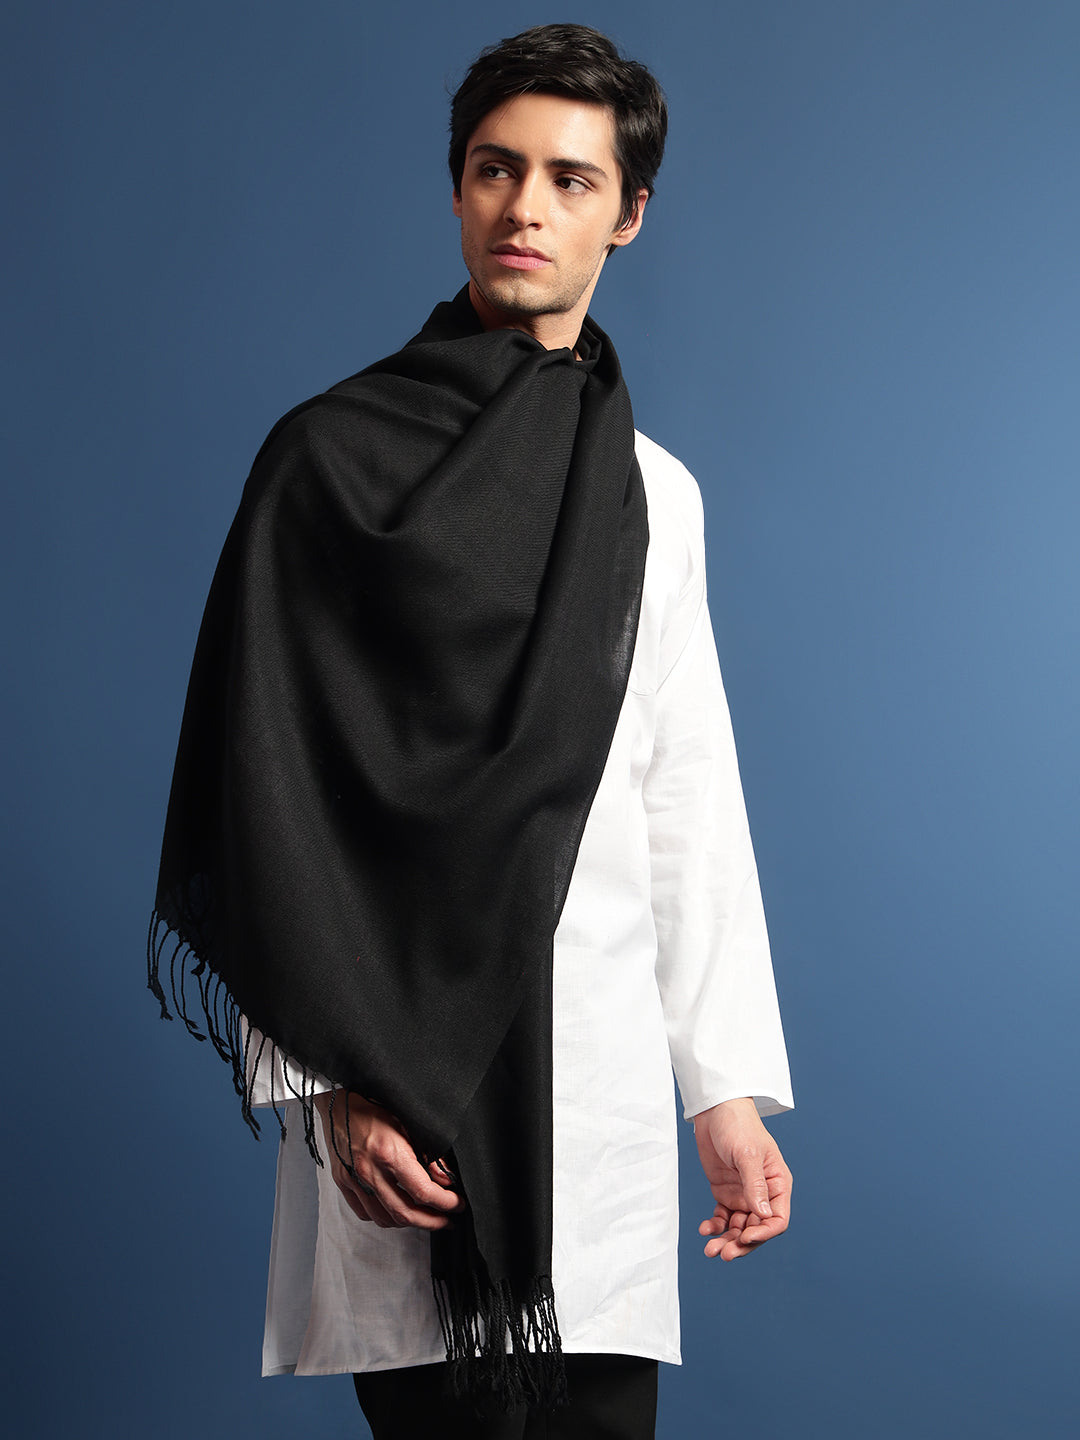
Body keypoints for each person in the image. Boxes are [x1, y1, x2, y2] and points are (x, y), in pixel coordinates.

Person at [150, 23, 793, 1440]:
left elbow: (683, 793)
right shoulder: (328, 461)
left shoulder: (653, 494)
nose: (525, 209)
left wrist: (725, 1094)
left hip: (595, 1084)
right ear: (455, 190)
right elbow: (265, 787)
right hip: (392, 1070)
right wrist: (327, 1083)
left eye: (572, 179)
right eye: (497, 170)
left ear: (628, 215)